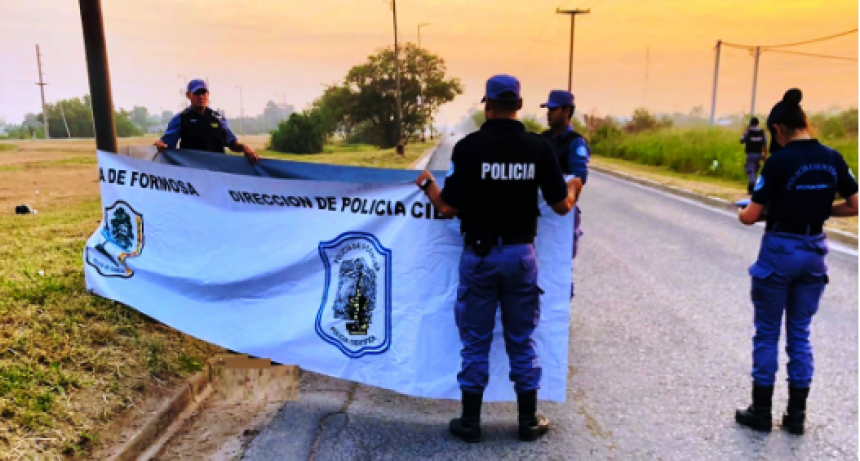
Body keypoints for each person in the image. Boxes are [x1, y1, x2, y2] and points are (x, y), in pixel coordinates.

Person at [414, 74, 579, 443]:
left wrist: (427, 184)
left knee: (476, 339)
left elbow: (446, 208)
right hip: (521, 256)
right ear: (519, 105)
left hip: (480, 257)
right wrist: (575, 184)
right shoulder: (539, 149)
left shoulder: (468, 148)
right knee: (521, 339)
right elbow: (562, 206)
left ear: (486, 104)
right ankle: (527, 420)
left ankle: (470, 422)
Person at [736, 89, 858, 435]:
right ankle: (796, 417)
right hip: (814, 251)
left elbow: (751, 217)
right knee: (800, 335)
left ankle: (760, 413)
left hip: (780, 250)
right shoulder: (833, 158)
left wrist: (746, 209)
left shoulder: (779, 162)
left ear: (778, 130)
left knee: (767, 333)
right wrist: (821, 211)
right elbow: (854, 205)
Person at [540, 90, 590, 297]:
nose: (548, 114)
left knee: (560, 260)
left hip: (563, 210)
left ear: (567, 111)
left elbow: (579, 177)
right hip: (540, 211)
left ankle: (560, 306)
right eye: (548, 109)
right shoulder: (543, 140)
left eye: (553, 109)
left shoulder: (575, 142)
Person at [155, 79, 259, 164]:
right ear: (188, 95)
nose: (201, 96)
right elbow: (166, 144)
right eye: (197, 93)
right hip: (192, 171)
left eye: (203, 92)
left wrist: (245, 148)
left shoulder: (218, 118)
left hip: (217, 170)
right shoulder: (181, 118)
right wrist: (160, 145)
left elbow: (232, 143)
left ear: (208, 94)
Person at [765, 88, 801, 155]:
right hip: (786, 143)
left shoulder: (778, 108)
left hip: (778, 144)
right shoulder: (795, 110)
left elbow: (770, 124)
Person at [740, 117, 768, 194]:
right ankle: (750, 189)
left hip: (750, 154)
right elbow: (765, 144)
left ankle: (753, 186)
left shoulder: (749, 132)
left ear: (751, 123)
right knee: (755, 171)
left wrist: (744, 132)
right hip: (759, 154)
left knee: (750, 171)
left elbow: (741, 140)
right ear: (757, 123)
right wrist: (765, 154)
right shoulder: (762, 132)